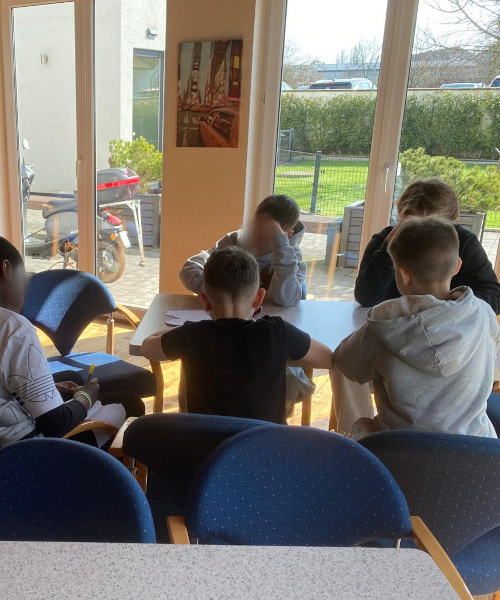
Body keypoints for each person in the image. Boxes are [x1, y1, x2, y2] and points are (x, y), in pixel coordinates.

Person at [0, 235, 144, 446]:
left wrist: (49, 390)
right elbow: (56, 424)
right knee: (129, 401)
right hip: (14, 450)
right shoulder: (13, 327)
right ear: (6, 268)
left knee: (67, 379)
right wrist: (86, 396)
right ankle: (101, 468)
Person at [335, 216, 498, 440]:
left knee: (360, 431)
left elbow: (345, 363)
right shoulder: (484, 313)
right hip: (473, 449)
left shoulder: (384, 322)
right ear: (457, 266)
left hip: (399, 449)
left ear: (402, 274)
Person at [142, 245, 332, 424]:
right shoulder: (278, 332)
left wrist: (185, 330)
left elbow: (147, 346)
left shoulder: (191, 335)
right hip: (266, 445)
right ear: (258, 298)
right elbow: (327, 358)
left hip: (208, 446)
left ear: (204, 301)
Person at [355, 178, 500, 314]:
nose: (424, 233)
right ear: (402, 219)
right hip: (397, 324)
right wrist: (387, 251)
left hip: (449, 325)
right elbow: (366, 298)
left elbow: (494, 297)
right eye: (413, 225)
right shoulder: (384, 242)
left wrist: (449, 306)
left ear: (449, 222)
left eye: (434, 227)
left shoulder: (464, 243)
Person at [179, 194, 307, 307]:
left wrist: (281, 245)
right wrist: (222, 293)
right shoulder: (234, 240)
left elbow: (287, 300)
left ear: (287, 235)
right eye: (256, 228)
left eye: (269, 235)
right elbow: (189, 270)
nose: (258, 238)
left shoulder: (291, 255)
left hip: (272, 320)